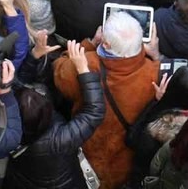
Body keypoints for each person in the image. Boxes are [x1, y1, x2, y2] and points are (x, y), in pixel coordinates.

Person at [54, 11, 160, 189]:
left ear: (105, 42)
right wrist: (156, 57)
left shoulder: (85, 64)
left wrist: (89, 44)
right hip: (123, 163)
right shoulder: (153, 74)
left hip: (87, 155)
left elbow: (58, 72)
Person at [5, 41, 106, 189]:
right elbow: (94, 112)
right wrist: (83, 68)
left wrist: (34, 56)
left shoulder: (8, 131)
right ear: (48, 112)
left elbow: (20, 84)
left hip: (23, 177)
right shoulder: (58, 140)